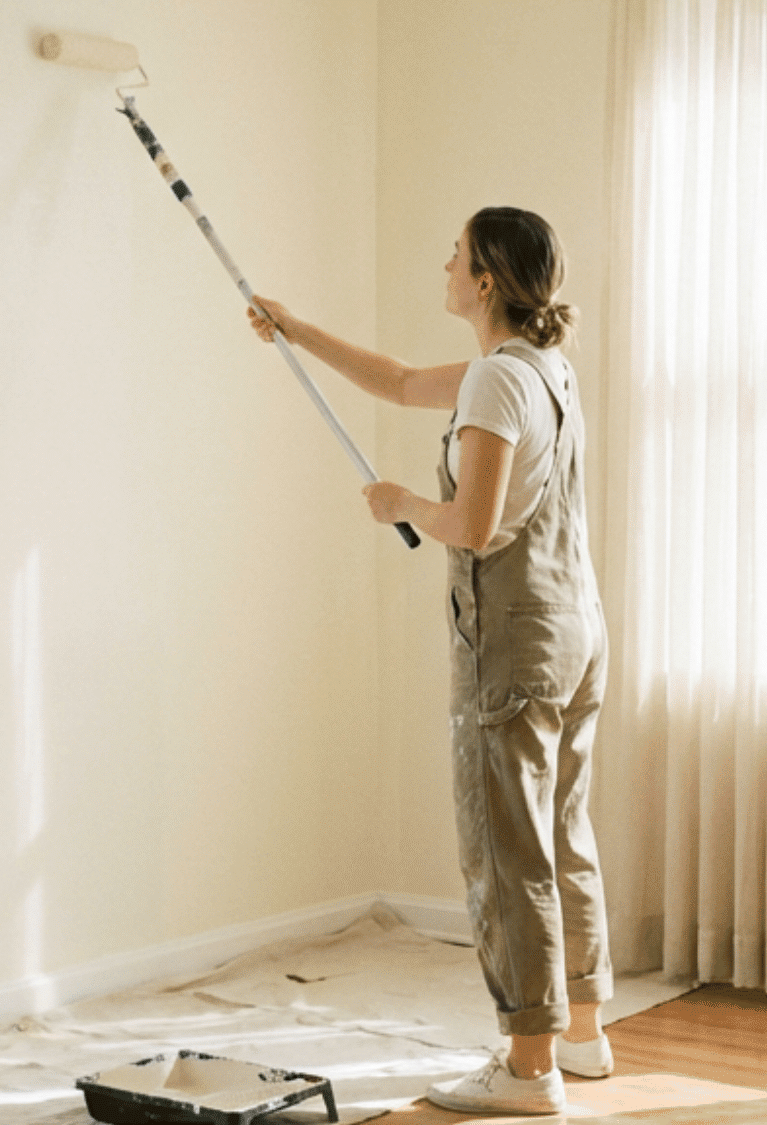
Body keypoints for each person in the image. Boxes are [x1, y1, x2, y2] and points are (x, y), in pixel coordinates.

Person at [248, 207, 612, 1116]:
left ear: (485, 281)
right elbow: (405, 381)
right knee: (561, 831)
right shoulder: (542, 368)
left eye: (456, 255)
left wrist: (403, 503)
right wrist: (295, 329)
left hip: (517, 640)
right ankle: (583, 1034)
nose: (445, 264)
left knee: (508, 848)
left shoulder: (497, 380)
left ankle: (528, 1068)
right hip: (577, 630)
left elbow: (475, 526)